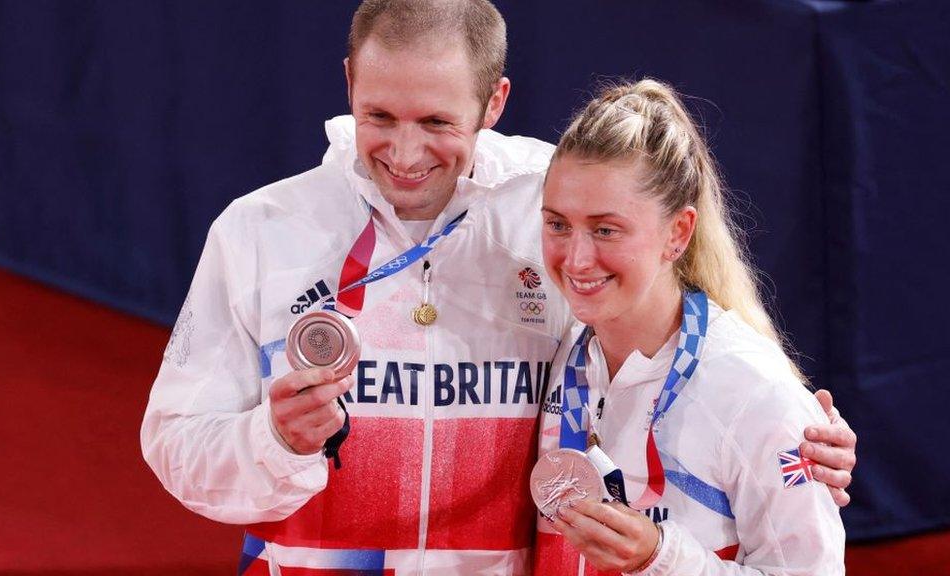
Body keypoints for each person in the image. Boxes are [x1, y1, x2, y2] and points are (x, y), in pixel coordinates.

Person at [140, 2, 856, 574]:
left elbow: (675, 305)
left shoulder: (546, 200)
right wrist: (274, 441)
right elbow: (175, 446)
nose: (406, 152)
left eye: (438, 122)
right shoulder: (260, 234)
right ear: (350, 81)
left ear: (494, 101)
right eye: (380, 116)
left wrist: (788, 440)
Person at [533, 79, 845, 575]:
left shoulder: (752, 389)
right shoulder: (559, 348)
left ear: (677, 233)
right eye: (557, 224)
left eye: (606, 229)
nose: (576, 257)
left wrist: (662, 559)